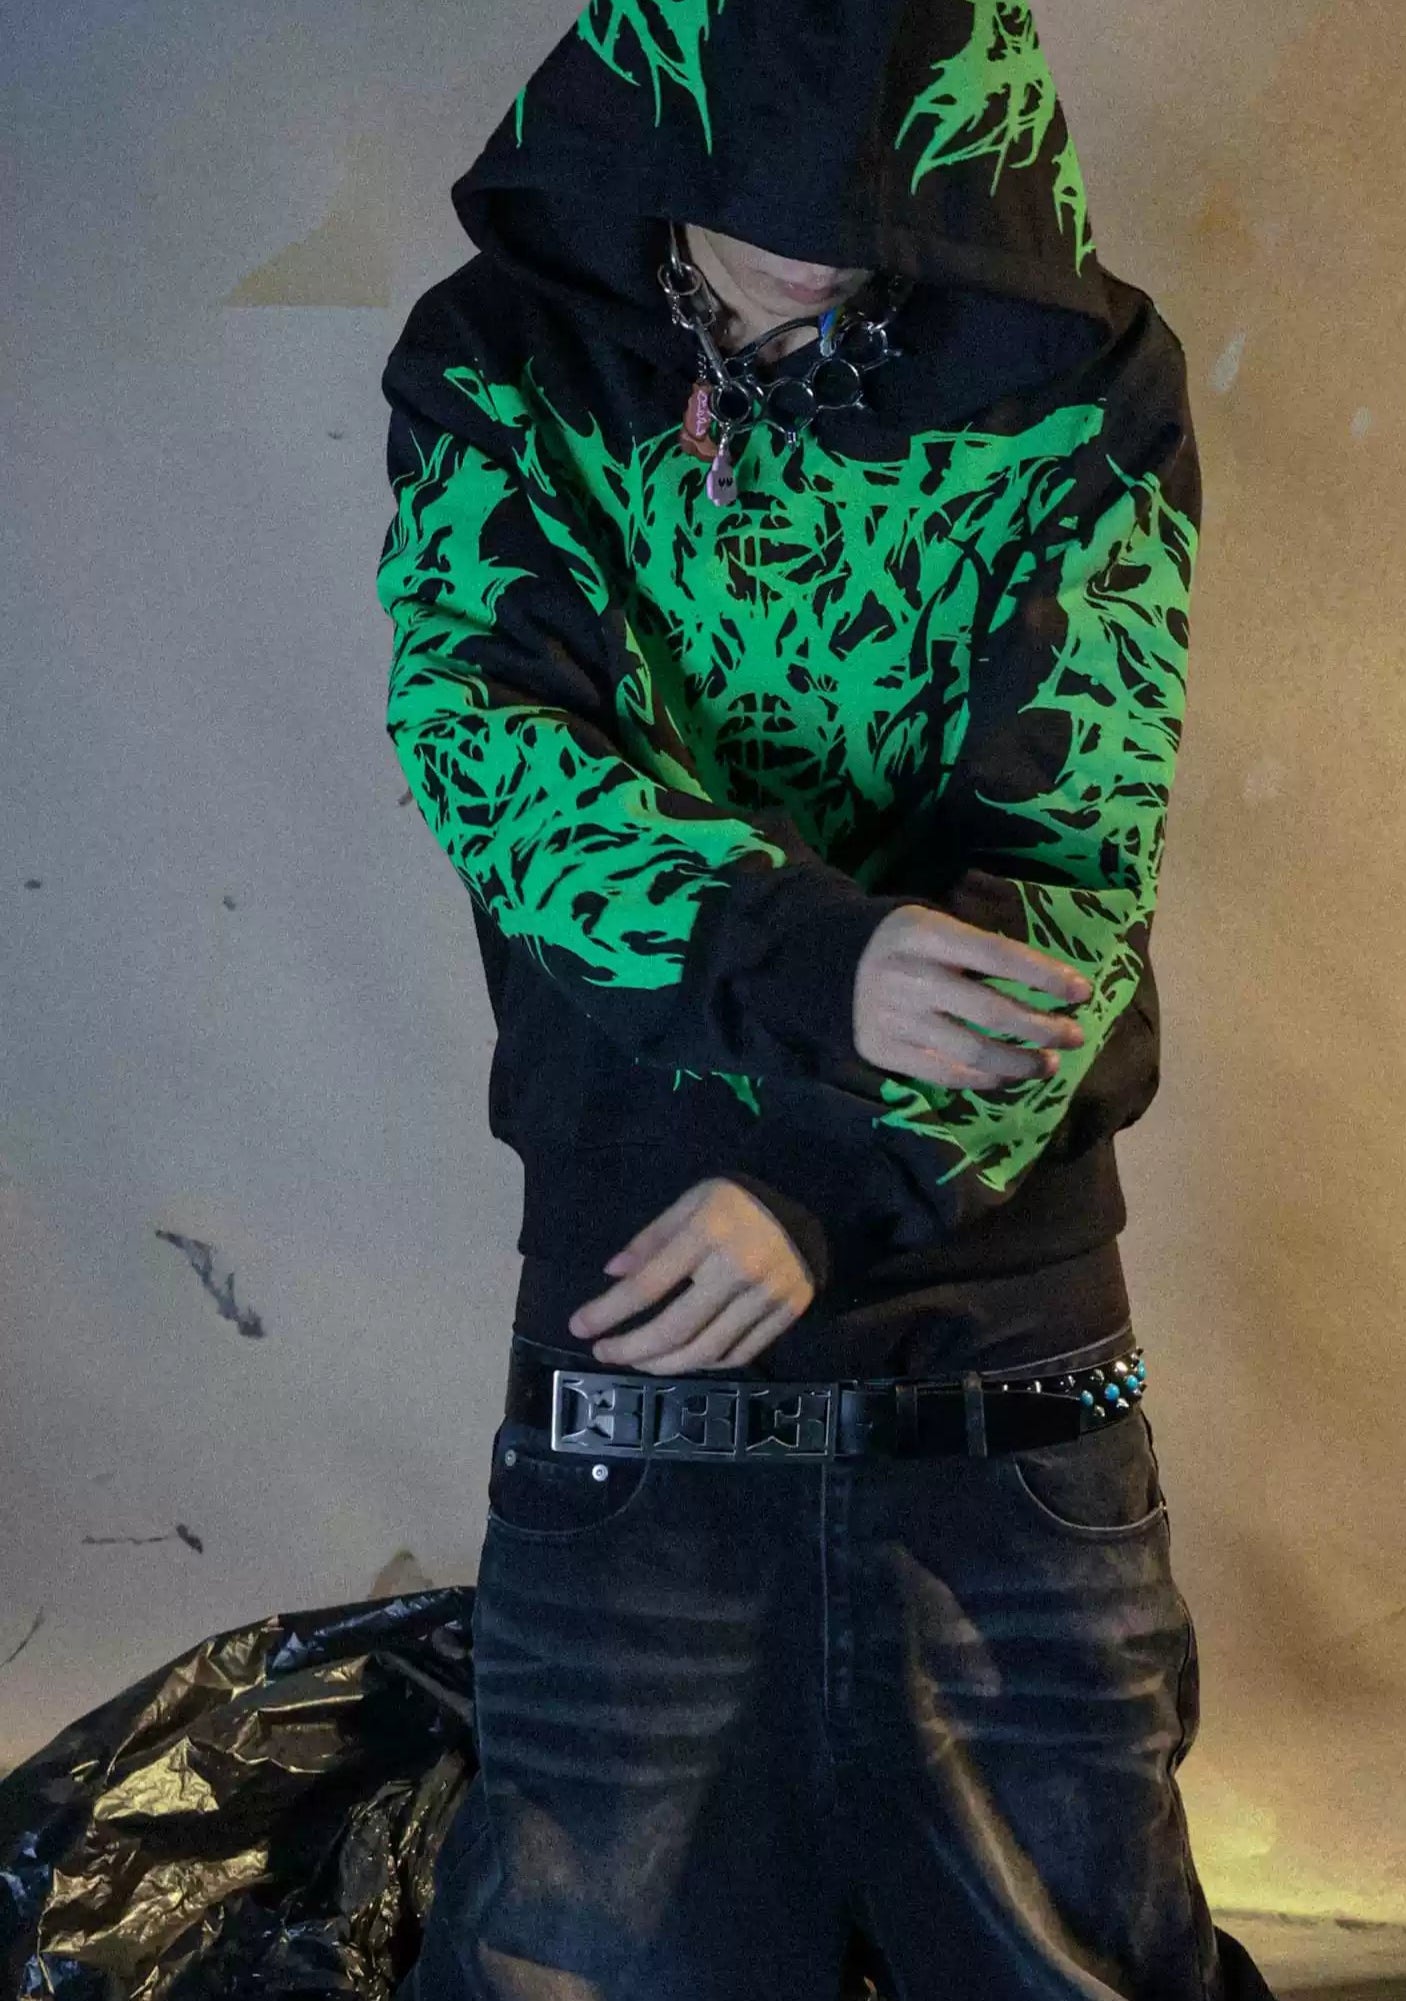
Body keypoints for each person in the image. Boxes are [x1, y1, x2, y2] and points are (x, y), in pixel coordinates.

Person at [375, 2, 1269, 1995]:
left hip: (994, 1335)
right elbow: (491, 744)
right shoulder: (501, 359)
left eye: (870, 180)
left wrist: (828, 1183)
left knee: (1075, 1963)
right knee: (583, 1966)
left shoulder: (1083, 378)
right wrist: (815, 960)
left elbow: (1073, 858)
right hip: (650, 1312)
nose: (817, 232)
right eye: (763, 172)